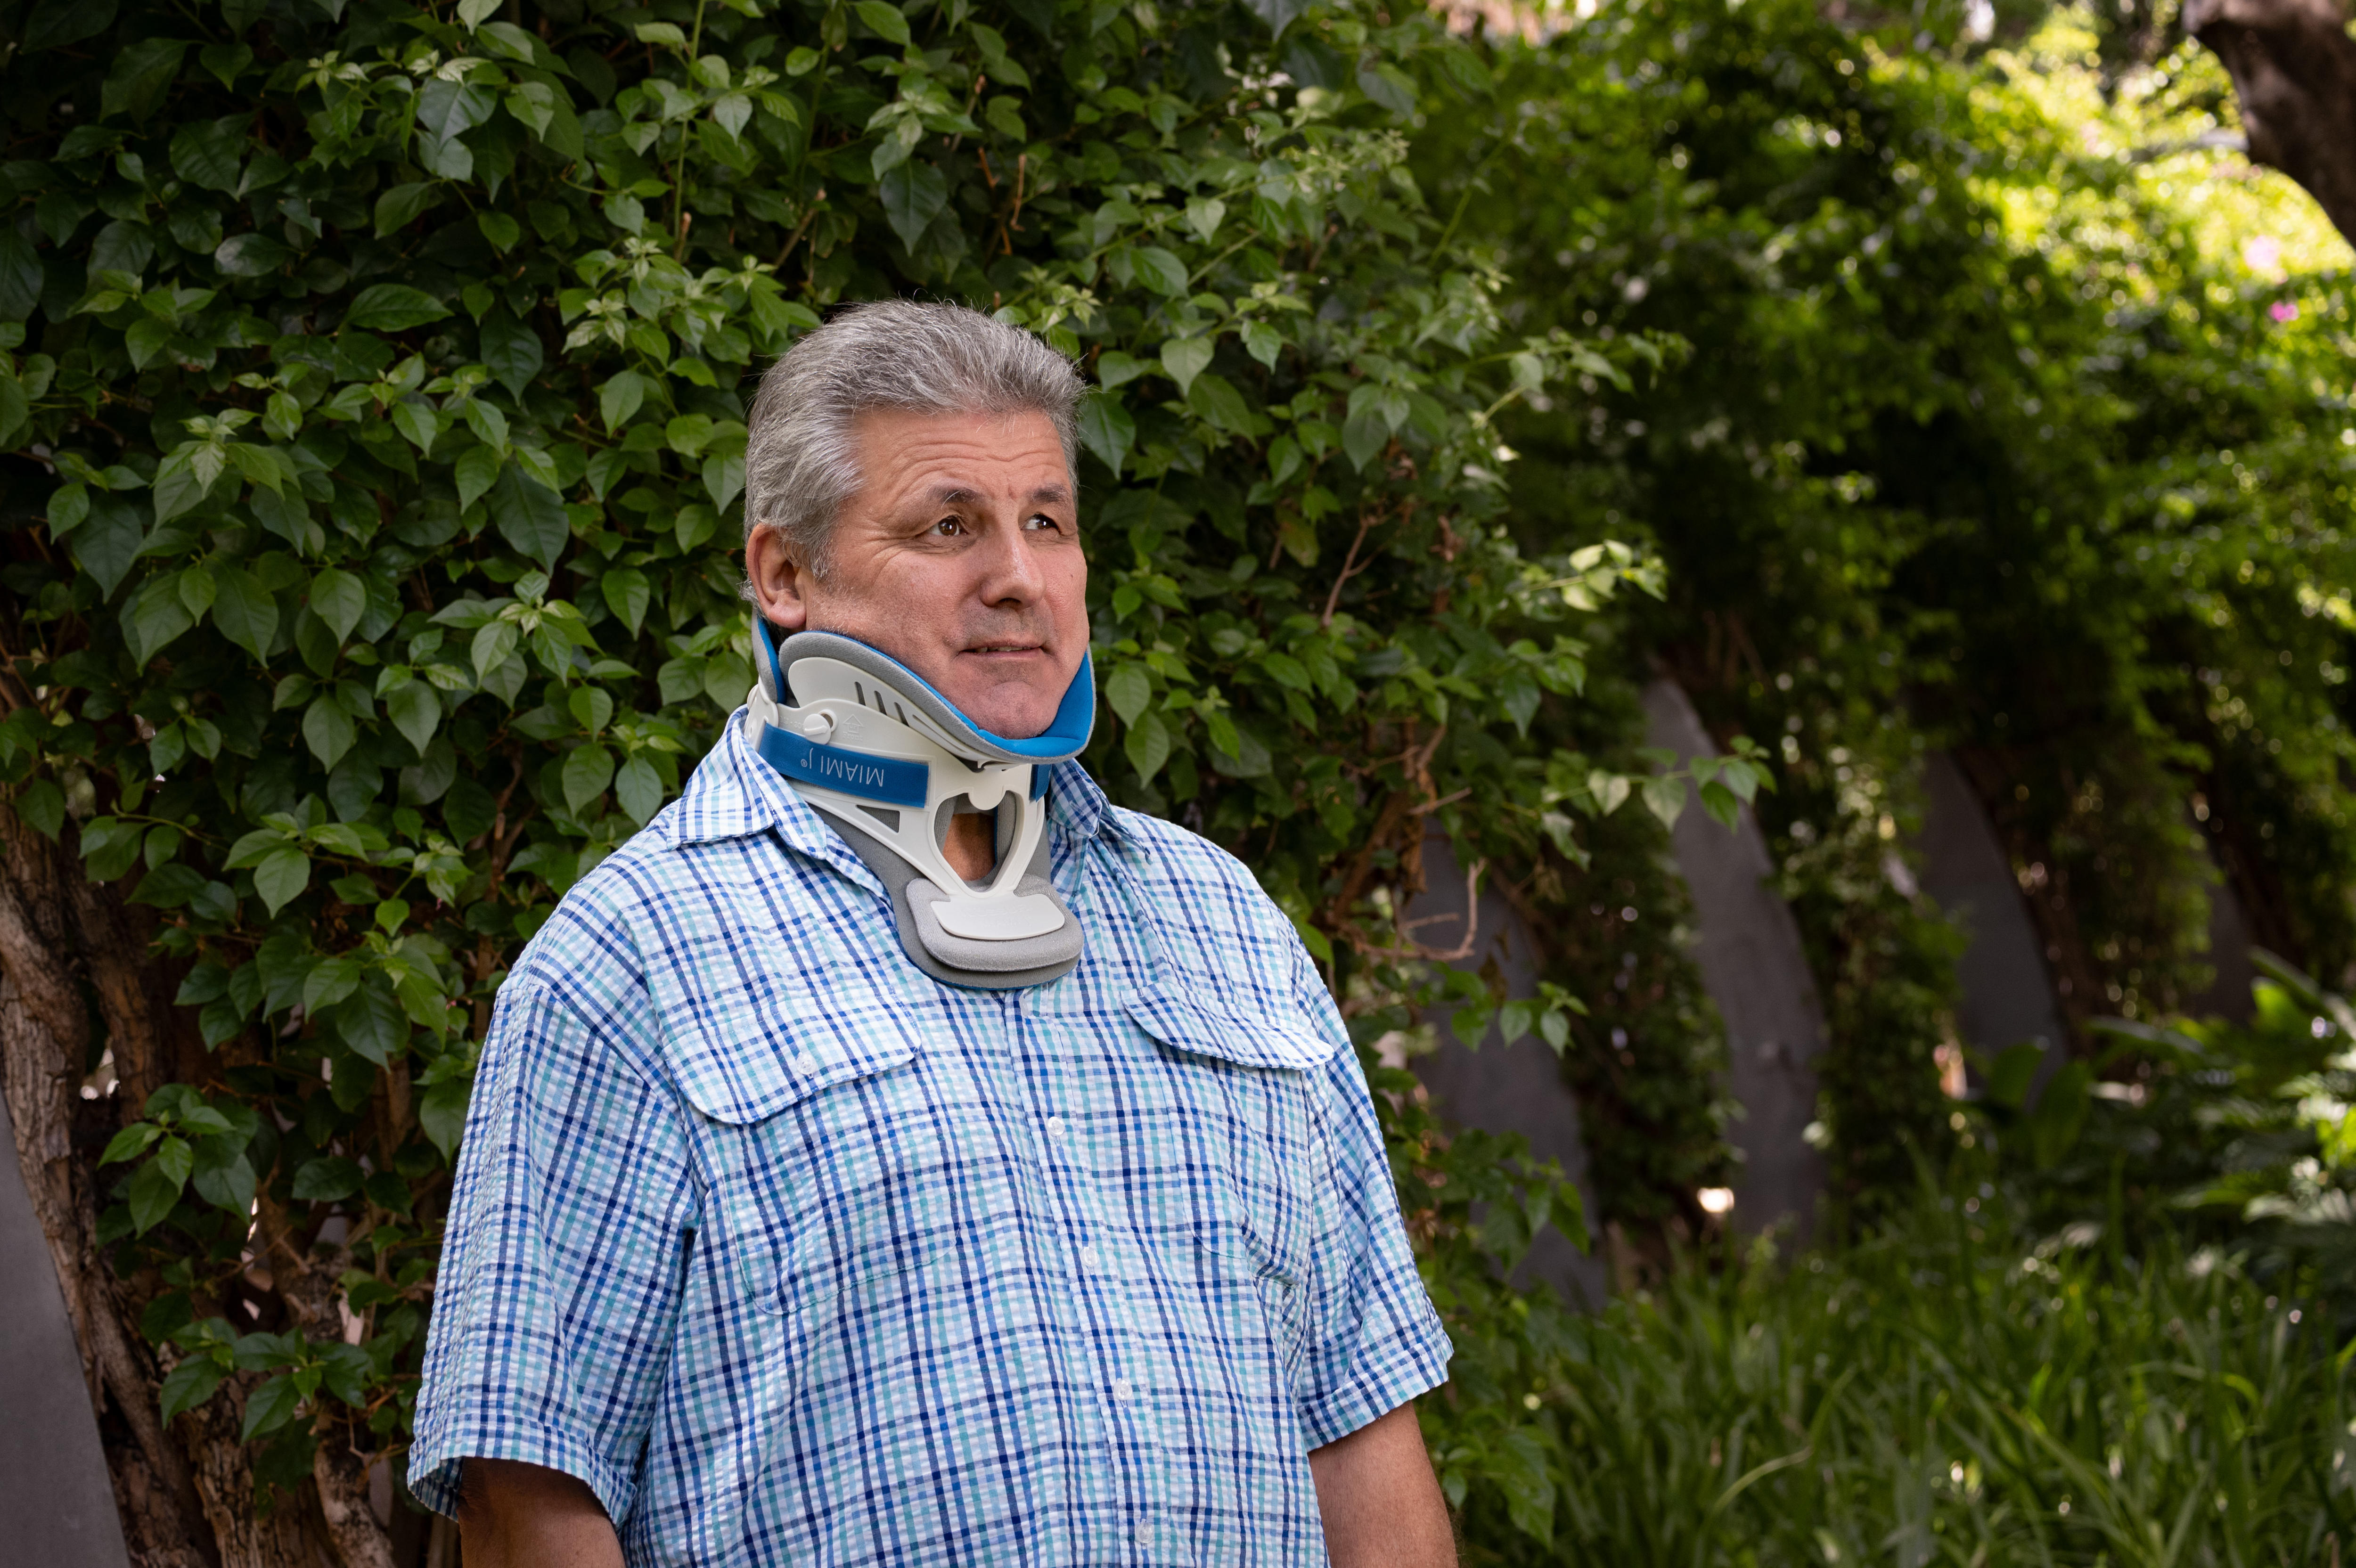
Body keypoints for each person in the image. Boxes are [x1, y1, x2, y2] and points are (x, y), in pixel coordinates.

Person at [409, 300, 1458, 1566]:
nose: (1017, 576)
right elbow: (533, 1500)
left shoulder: (1221, 922)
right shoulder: (629, 963)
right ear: (784, 575)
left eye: (1046, 523)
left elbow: (1358, 1427)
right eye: (949, 525)